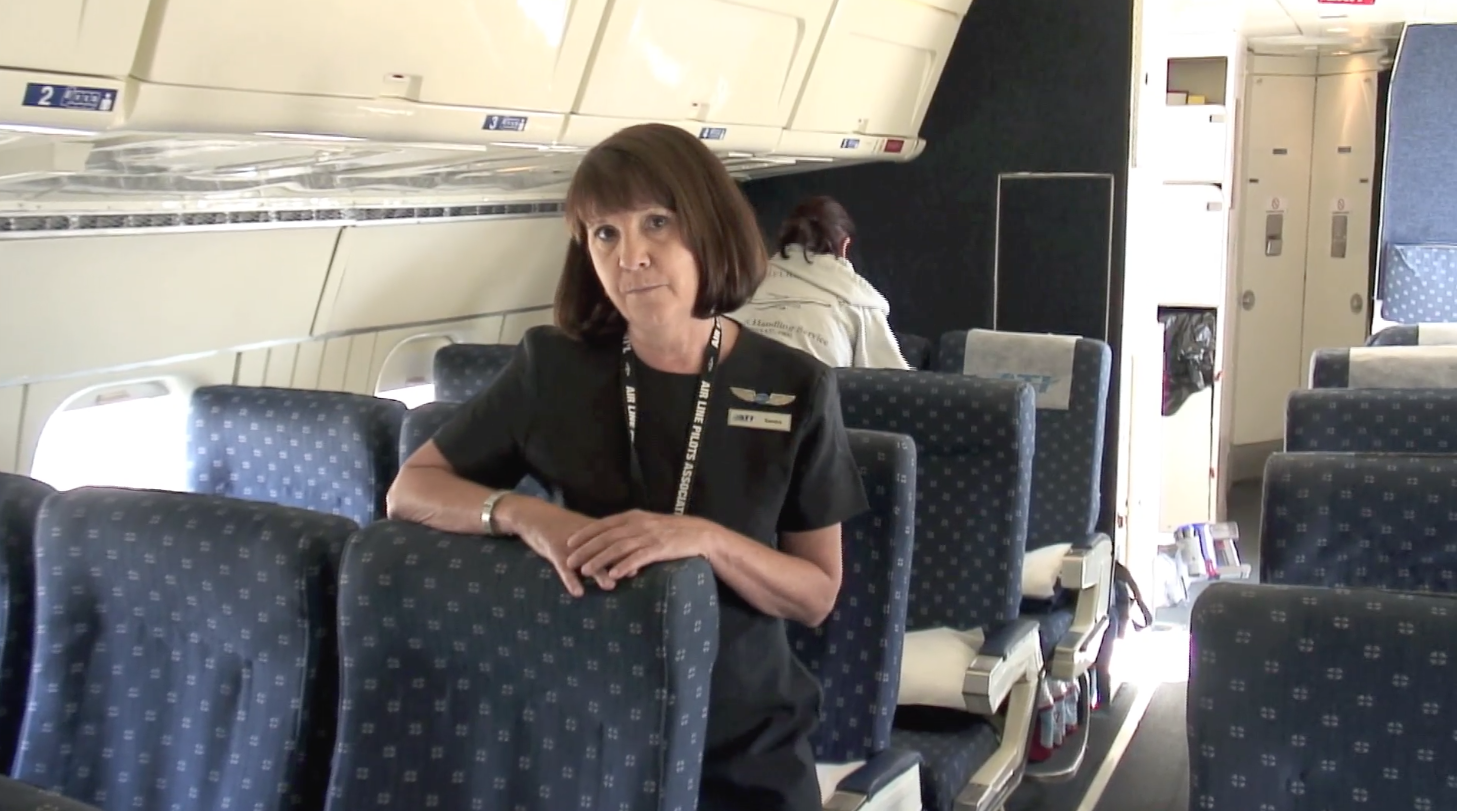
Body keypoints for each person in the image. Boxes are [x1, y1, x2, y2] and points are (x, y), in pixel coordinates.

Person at [386, 122, 869, 811]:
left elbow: (815, 593)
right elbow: (412, 489)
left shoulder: (794, 385)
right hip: (584, 723)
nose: (631, 255)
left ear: (706, 227)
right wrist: (527, 515)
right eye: (604, 234)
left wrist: (701, 538)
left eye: (656, 223)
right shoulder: (551, 367)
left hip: (739, 739)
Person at [731, 195, 910, 369]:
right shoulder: (860, 302)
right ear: (845, 246)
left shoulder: (739, 288)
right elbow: (895, 383)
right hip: (815, 397)